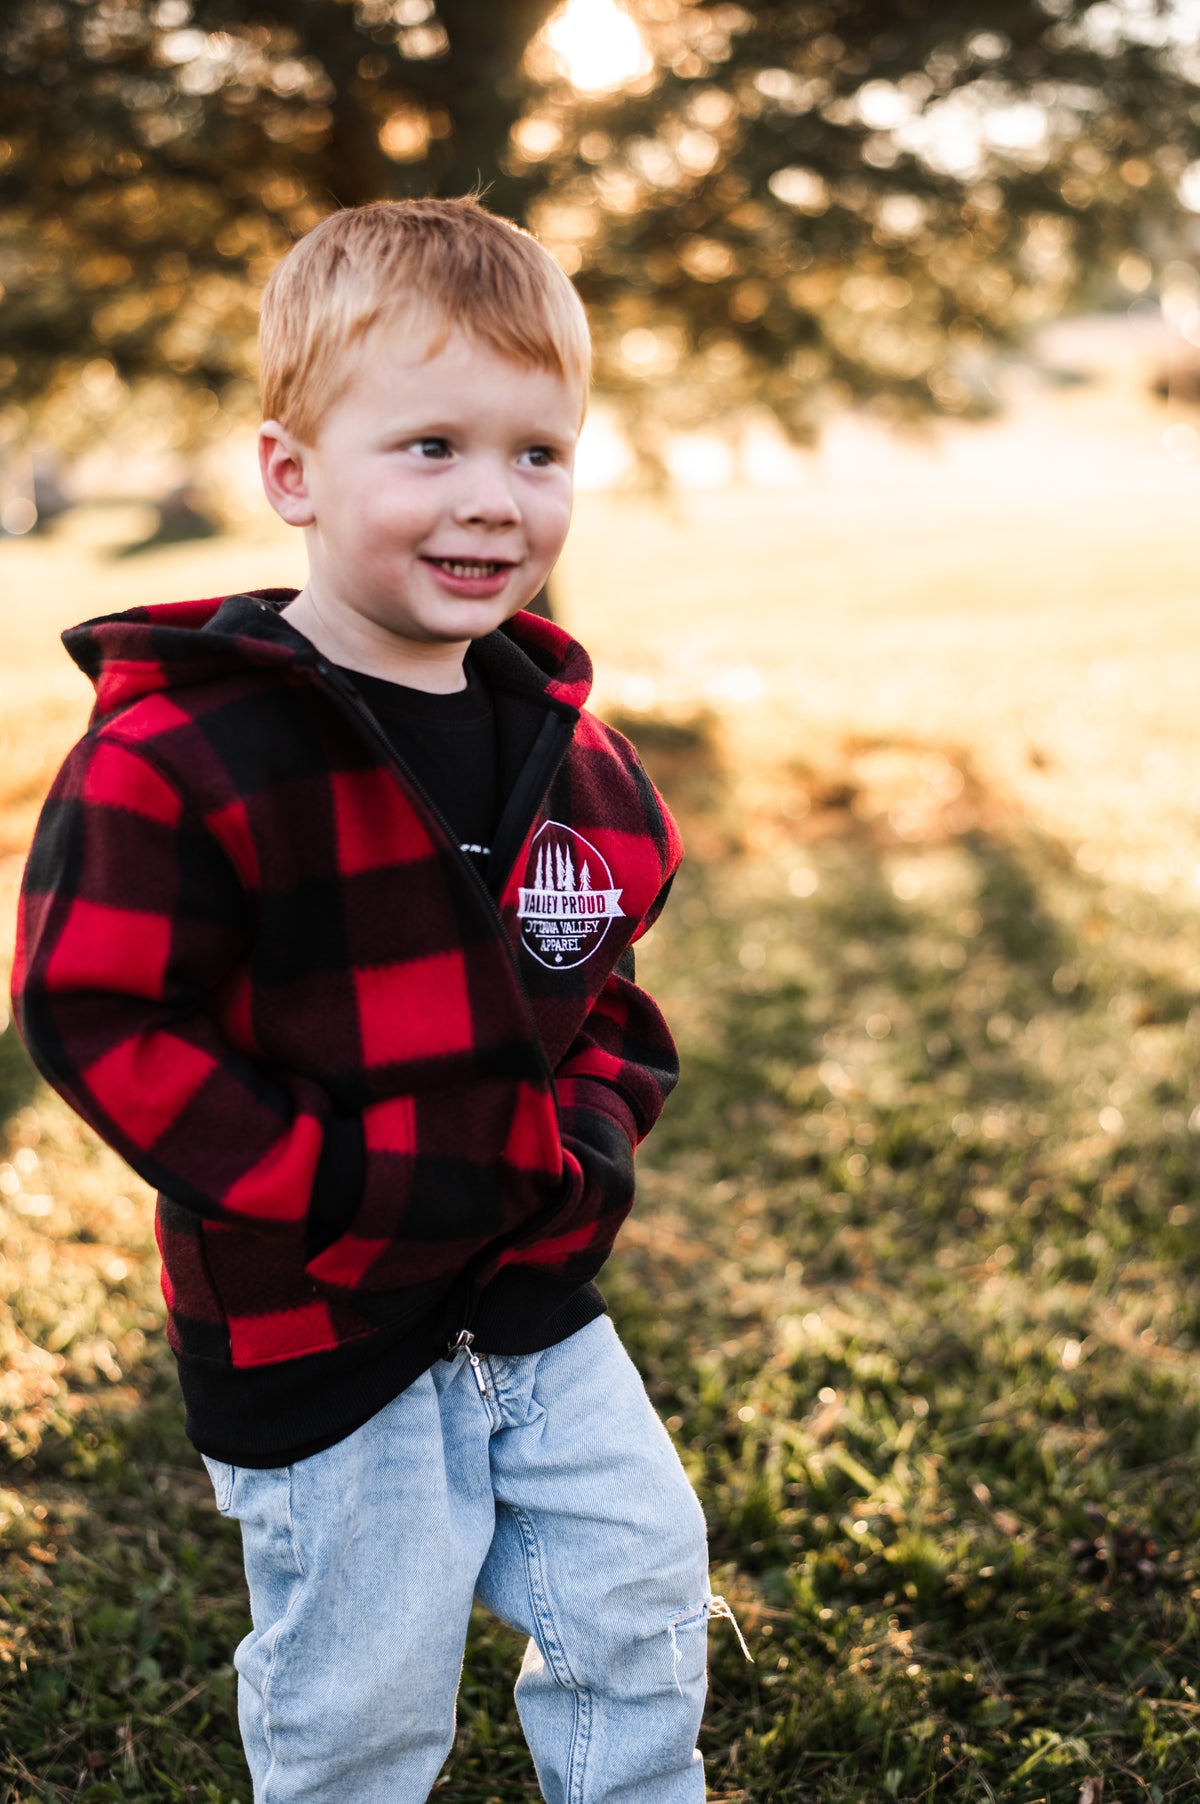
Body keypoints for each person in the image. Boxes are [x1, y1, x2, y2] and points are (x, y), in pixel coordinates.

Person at [11, 197, 748, 1803]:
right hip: (319, 1315)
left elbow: (608, 990)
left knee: (636, 1590)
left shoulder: (578, 755)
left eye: (537, 453)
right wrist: (334, 1191)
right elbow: (99, 1013)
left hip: (530, 1285)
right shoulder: (183, 752)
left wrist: (586, 1142)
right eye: (430, 446)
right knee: (364, 1693)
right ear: (293, 474)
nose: (492, 499)